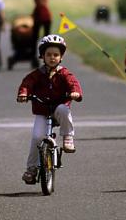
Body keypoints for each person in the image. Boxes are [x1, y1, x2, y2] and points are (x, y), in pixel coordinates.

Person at [16, 34, 83, 184]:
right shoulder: (37, 75)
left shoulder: (65, 73)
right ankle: (31, 169)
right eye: (48, 55)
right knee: (36, 137)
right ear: (42, 56)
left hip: (59, 108)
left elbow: (73, 84)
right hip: (42, 110)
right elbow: (27, 84)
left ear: (61, 57)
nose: (52, 58)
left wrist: (75, 93)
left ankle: (68, 137)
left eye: (56, 55)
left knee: (65, 111)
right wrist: (23, 93)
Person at [23, 0, 52, 68]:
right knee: (47, 38)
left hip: (40, 14)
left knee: (34, 38)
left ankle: (34, 59)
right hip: (47, 13)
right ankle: (49, 59)